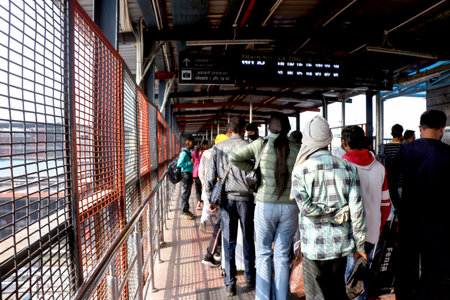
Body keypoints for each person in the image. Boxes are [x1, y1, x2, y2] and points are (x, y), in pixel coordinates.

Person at [291, 116, 366, 300]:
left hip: (313, 247)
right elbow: (357, 210)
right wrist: (360, 244)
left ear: (308, 139)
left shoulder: (300, 171)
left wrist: (327, 212)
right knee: (337, 292)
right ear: (329, 138)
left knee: (316, 295)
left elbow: (306, 210)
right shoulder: (349, 168)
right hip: (341, 244)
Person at [230, 112, 300, 300]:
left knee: (262, 253)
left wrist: (253, 169)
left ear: (270, 127)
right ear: (287, 128)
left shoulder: (260, 144)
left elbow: (234, 157)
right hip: (291, 207)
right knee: (283, 255)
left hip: (265, 206)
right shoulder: (296, 148)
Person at [390, 110, 450, 300]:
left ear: (420, 128)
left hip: (408, 214)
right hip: (438, 218)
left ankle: (403, 295)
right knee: (434, 264)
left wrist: (398, 203)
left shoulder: (406, 149)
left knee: (405, 260)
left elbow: (390, 178)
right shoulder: (448, 153)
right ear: (442, 128)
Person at [205, 116, 256, 297]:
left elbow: (210, 177)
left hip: (226, 200)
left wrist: (210, 199)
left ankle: (230, 283)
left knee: (229, 240)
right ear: (243, 129)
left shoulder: (217, 149)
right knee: (249, 238)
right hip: (246, 200)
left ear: (229, 130)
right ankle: (251, 277)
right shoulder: (249, 147)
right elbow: (254, 176)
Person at [341, 125, 392, 300]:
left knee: (350, 277)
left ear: (344, 143)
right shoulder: (379, 167)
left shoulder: (343, 166)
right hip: (372, 230)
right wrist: (378, 225)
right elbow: (386, 204)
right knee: (363, 273)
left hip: (348, 231)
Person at [199, 134, 229, 233]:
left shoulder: (206, 153)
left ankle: (203, 222)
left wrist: (203, 182)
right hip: (220, 185)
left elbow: (201, 170)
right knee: (220, 211)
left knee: (207, 207)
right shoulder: (225, 153)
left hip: (208, 185)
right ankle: (219, 227)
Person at [177, 136, 195, 220]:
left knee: (187, 194)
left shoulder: (188, 152)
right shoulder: (184, 153)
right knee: (184, 194)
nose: (193, 143)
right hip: (185, 175)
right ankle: (183, 212)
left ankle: (186, 210)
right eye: (191, 141)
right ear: (187, 142)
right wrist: (189, 163)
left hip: (189, 175)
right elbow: (179, 164)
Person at [192, 140, 209, 210]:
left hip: (195, 173)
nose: (208, 146)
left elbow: (192, 160)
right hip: (203, 173)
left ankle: (199, 203)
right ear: (204, 145)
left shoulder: (195, 152)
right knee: (204, 189)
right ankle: (206, 204)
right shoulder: (206, 153)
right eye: (207, 145)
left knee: (198, 189)